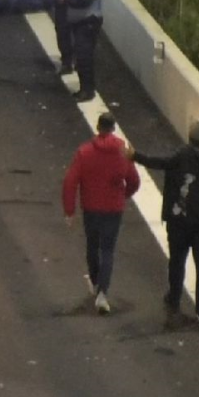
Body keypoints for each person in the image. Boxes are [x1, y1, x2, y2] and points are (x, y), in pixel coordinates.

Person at [128, 121, 199, 325]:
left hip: (179, 219)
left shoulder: (182, 155)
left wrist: (135, 156)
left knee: (177, 260)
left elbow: (159, 162)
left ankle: (174, 300)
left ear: (190, 136)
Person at [62, 112, 141, 314]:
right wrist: (124, 195)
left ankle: (96, 282)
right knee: (108, 249)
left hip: (91, 208)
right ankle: (103, 294)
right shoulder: (122, 152)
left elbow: (70, 181)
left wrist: (69, 210)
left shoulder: (84, 152)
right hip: (113, 209)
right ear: (113, 128)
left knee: (92, 246)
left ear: (98, 128)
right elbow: (134, 181)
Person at [67, 0, 104, 102]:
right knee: (82, 57)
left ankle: (87, 91)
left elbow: (83, 1)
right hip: (82, 23)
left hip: (88, 23)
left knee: (84, 58)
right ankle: (85, 89)